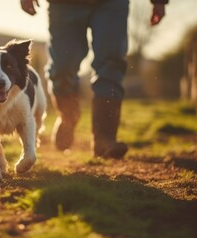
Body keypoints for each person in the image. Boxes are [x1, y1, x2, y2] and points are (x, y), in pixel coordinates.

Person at [21, 0, 167, 159]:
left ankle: (105, 139)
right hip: (63, 4)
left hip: (111, 4)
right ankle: (68, 116)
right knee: (63, 67)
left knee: (111, 63)